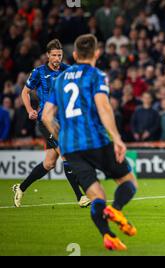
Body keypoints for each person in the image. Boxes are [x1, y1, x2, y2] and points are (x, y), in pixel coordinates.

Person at [42, 34, 138, 251]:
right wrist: (117, 139)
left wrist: (61, 137)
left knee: (96, 196)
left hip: (70, 147)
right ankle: (117, 209)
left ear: (74, 55)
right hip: (95, 141)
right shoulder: (96, 75)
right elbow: (103, 107)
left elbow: (47, 116)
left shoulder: (59, 80)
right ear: (97, 53)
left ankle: (107, 235)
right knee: (128, 182)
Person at [12, 39, 89, 208]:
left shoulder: (68, 71)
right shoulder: (39, 72)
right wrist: (30, 110)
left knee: (49, 164)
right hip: (46, 121)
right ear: (48, 56)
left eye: (59, 55)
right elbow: (25, 92)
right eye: (54, 55)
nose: (57, 58)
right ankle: (80, 197)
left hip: (64, 121)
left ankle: (21, 187)